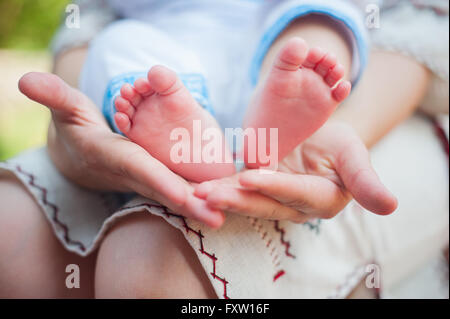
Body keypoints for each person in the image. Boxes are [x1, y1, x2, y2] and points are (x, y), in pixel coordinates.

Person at [0, 0, 447, 298]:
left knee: (316, 25)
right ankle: (196, 134)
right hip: (174, 60)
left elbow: (424, 20)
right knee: (122, 49)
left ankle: (272, 121)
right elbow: (88, 22)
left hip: (280, 49)